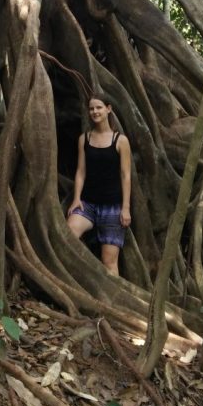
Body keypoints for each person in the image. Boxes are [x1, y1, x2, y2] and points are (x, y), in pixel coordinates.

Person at [66, 95, 131, 275]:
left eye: (99, 107)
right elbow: (81, 171)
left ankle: (112, 303)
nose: (95, 111)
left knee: (109, 262)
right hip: (87, 204)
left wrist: (125, 208)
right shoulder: (84, 139)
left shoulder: (120, 141)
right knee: (68, 236)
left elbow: (126, 175)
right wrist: (76, 199)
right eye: (92, 108)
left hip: (112, 207)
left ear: (108, 109)